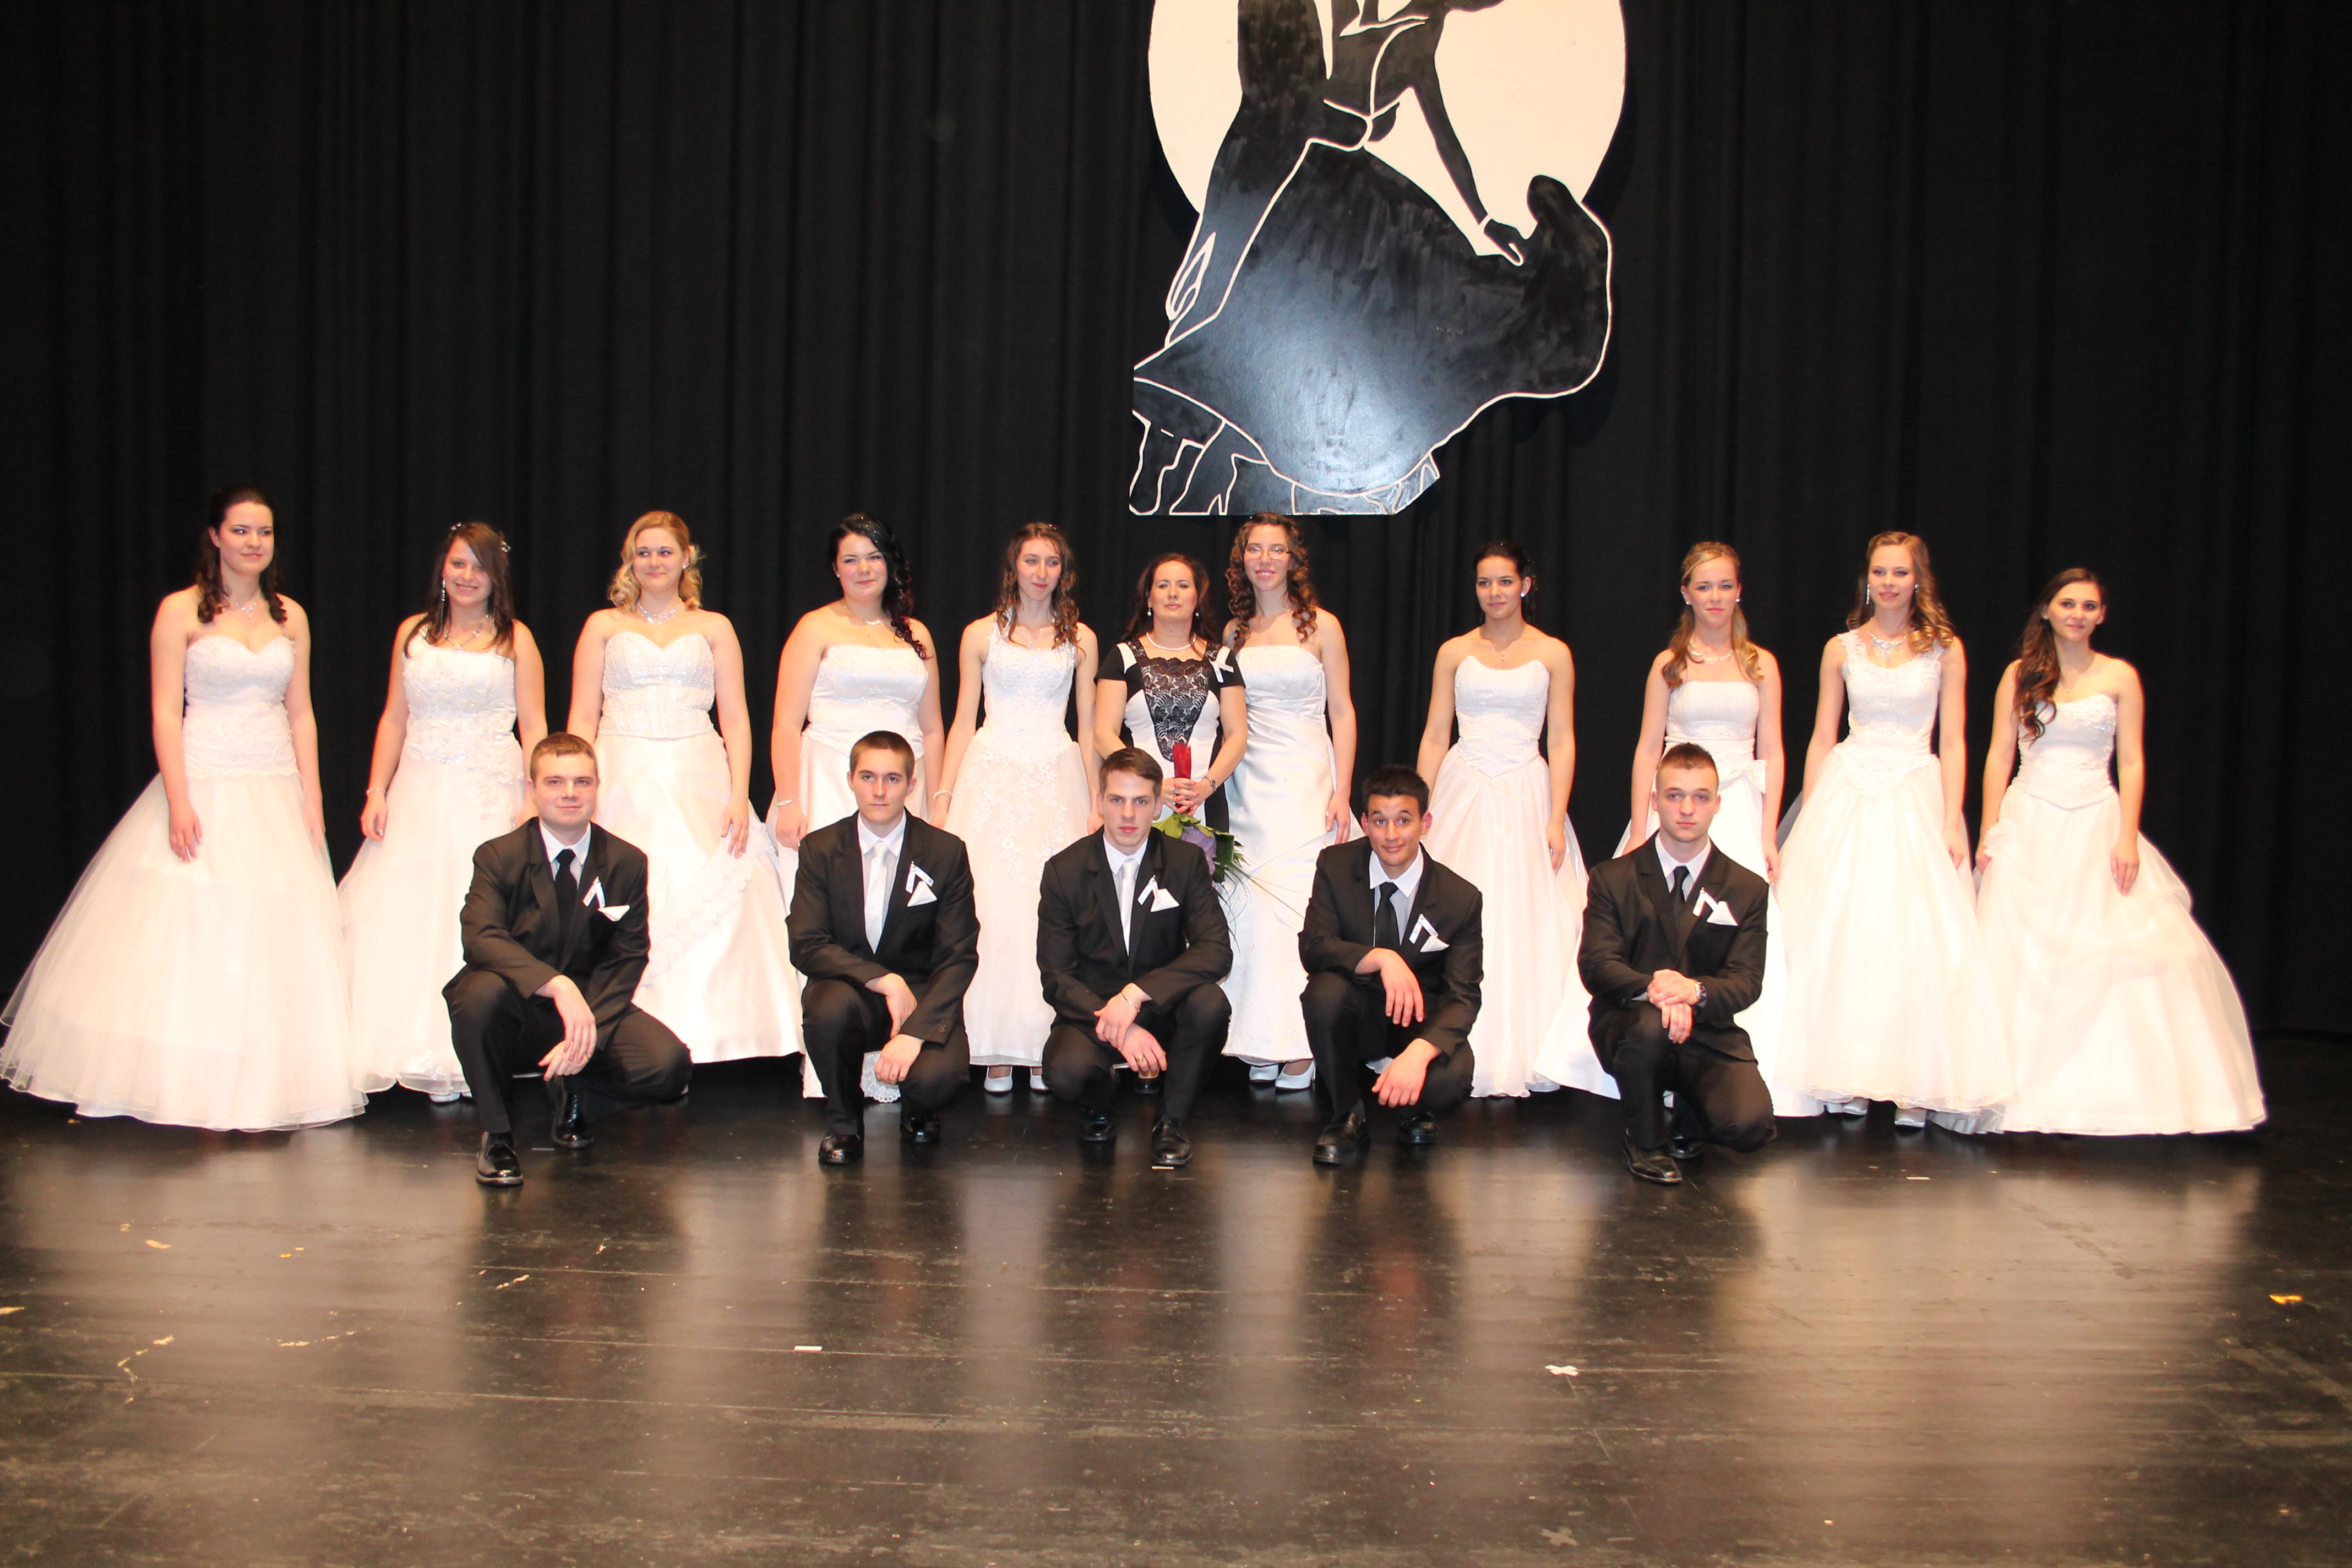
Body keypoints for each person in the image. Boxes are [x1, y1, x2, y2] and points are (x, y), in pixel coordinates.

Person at [1, 486, 363, 1131]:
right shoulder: (181, 610)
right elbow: (167, 711)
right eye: (242, 530)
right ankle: (185, 1082)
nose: (254, 542)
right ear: (216, 536)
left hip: (274, 786)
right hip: (204, 781)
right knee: (196, 928)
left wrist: (313, 794)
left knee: (273, 937)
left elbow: (301, 712)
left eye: (265, 532)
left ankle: (261, 1084)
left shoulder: (291, 617)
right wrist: (177, 798)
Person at [1974, 571, 2264, 1134]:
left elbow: (2131, 760)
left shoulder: (2120, 676)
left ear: (2102, 615)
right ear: (2047, 611)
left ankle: (2108, 1093)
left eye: (2089, 606)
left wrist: (2128, 834)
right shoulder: (2020, 674)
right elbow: (1999, 754)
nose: (2077, 614)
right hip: (2030, 822)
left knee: (2116, 945)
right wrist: (1990, 828)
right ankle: (2013, 1089)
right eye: (2067, 604)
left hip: (2096, 822)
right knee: (2020, 953)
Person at [1774, 531, 2012, 1128]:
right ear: (1867, 579)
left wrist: (1952, 817)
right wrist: (1812, 809)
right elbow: (1823, 735)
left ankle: (1914, 1082)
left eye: (1900, 573)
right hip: (1850, 788)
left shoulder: (1944, 650)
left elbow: (1954, 740)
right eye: (1879, 572)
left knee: (1913, 937)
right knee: (1845, 934)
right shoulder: (1841, 648)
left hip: (1914, 789)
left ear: (1917, 579)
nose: (1888, 583)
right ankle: (1845, 1074)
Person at [570, 511, 799, 1065]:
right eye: (644, 552)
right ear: (630, 560)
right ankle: (620, 1030)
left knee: (721, 876)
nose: (654, 562)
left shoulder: (714, 626)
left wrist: (739, 795)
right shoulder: (603, 626)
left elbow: (736, 719)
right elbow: (581, 716)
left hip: (700, 768)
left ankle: (721, 1032)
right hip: (620, 770)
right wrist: (576, 787)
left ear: (686, 558)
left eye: (665, 552)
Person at [1605, 543, 1815, 1117]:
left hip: (1737, 805)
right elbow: (1648, 746)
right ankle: (1658, 1053)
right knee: (1661, 922)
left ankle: (1729, 1061)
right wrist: (1641, 823)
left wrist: (1769, 832)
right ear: (1686, 594)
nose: (1715, 597)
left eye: (1725, 586)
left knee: (1734, 927)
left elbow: (1773, 749)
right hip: (1675, 806)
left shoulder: (1761, 664)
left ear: (1739, 592)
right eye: (1704, 586)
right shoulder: (1669, 664)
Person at [341, 523, 547, 1102]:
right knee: (408, 911)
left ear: (496, 577)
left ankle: (478, 1049)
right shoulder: (413, 634)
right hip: (420, 789)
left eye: (479, 567)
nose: (467, 576)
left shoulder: (516, 639)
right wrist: (376, 790)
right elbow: (394, 718)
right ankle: (408, 1045)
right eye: (458, 564)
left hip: (489, 793)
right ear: (442, 569)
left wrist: (534, 796)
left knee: (479, 910)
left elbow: (534, 723)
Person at [443, 734, 692, 1185]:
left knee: (668, 1066)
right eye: (555, 782)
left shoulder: (627, 862)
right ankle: (497, 1136)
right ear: (533, 789)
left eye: (582, 782)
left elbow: (629, 954)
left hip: (587, 1008)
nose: (570, 793)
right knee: (475, 996)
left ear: (597, 787)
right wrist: (557, 985)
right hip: (516, 1005)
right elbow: (481, 937)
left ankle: (575, 1093)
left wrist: (589, 1030)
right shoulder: (498, 856)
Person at [771, 515, 946, 1108]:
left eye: (873, 557)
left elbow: (932, 726)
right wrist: (789, 799)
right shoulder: (815, 627)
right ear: (835, 568)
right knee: (836, 921)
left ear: (890, 565)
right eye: (851, 558)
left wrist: (936, 799)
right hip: (829, 781)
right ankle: (832, 1060)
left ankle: (896, 1047)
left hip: (902, 786)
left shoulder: (915, 633)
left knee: (898, 918)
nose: (864, 569)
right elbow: (785, 721)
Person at [1418, 542, 1596, 1099]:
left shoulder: (1553, 653)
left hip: (1526, 790)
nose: (1494, 592)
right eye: (1484, 582)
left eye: (1504, 581)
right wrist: (1421, 804)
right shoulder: (1454, 651)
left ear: (1525, 585)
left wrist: (1556, 815)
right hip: (1462, 787)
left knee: (1527, 916)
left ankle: (1526, 1047)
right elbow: (1435, 734)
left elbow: (1562, 739)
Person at [935, 524, 1101, 1095]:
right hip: (991, 776)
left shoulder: (1081, 638)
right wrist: (943, 794)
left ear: (1063, 571)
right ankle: (993, 1046)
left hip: (1056, 775)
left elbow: (1088, 726)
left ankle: (1040, 1046)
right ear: (1014, 567)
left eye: (1052, 562)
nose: (1041, 572)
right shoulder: (980, 634)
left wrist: (1096, 797)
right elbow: (963, 718)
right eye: (1031, 561)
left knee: (1047, 911)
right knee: (992, 908)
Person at [1581, 744, 1777, 1186]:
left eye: (1701, 797)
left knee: (1749, 1127)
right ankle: (1646, 1140)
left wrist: (1695, 991)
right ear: (1655, 801)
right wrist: (1656, 990)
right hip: (1632, 1024)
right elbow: (1597, 964)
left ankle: (1688, 1119)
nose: (1687, 809)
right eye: (1675, 796)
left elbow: (1747, 981)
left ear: (1717, 804)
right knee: (1650, 1029)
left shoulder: (1747, 888)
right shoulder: (1613, 878)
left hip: (1707, 1030)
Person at [1035, 749, 1233, 1167]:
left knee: (1211, 1004)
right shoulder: (1064, 871)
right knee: (1065, 1072)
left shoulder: (1185, 862)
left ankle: (1171, 1121)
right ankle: (1100, 1104)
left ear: (1158, 804)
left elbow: (1215, 950)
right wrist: (1121, 1026)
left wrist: (1137, 995)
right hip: (1093, 1013)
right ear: (1100, 802)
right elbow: (1056, 977)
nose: (1128, 814)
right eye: (1117, 800)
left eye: (1141, 801)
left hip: (1162, 1006)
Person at [787, 731, 977, 1164]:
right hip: (851, 991)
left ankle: (919, 1110)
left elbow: (959, 956)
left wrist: (914, 1034)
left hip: (922, 997)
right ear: (850, 780)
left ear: (912, 785)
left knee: (939, 1079)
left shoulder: (945, 852)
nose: (879, 791)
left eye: (892, 779)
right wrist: (884, 980)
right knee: (827, 1009)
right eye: (868, 777)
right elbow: (806, 944)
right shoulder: (820, 849)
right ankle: (843, 1123)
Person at [1219, 514, 1355, 1090]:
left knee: (1299, 900)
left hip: (1305, 776)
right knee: (1249, 899)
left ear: (1294, 559)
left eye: (1277, 550)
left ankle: (1301, 1043)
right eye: (1256, 549)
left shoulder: (1322, 625)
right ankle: (1257, 1032)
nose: (1266, 560)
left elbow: (1342, 711)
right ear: (1243, 559)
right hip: (1248, 778)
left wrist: (1343, 789)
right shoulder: (1233, 632)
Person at [1298, 765, 1483, 1163]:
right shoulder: (1335, 866)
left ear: (1425, 824)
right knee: (1323, 993)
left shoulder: (1460, 898)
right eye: (1380, 821)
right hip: (1358, 1012)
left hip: (1417, 1021)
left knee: (1452, 1078)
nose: (1392, 835)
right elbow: (1314, 947)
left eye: (1404, 820)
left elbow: (1464, 996)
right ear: (1365, 823)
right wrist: (1381, 958)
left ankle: (1414, 1109)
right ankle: (1347, 1116)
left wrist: (1420, 1052)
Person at [1093, 552, 1247, 830]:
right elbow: (1104, 735)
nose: (1173, 593)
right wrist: (1150, 784)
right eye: (1163, 585)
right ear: (1149, 599)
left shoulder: (1222, 658)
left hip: (1205, 802)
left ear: (1197, 598)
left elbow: (1237, 736)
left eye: (1183, 585)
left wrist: (1207, 786)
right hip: (1138, 801)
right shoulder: (1122, 657)